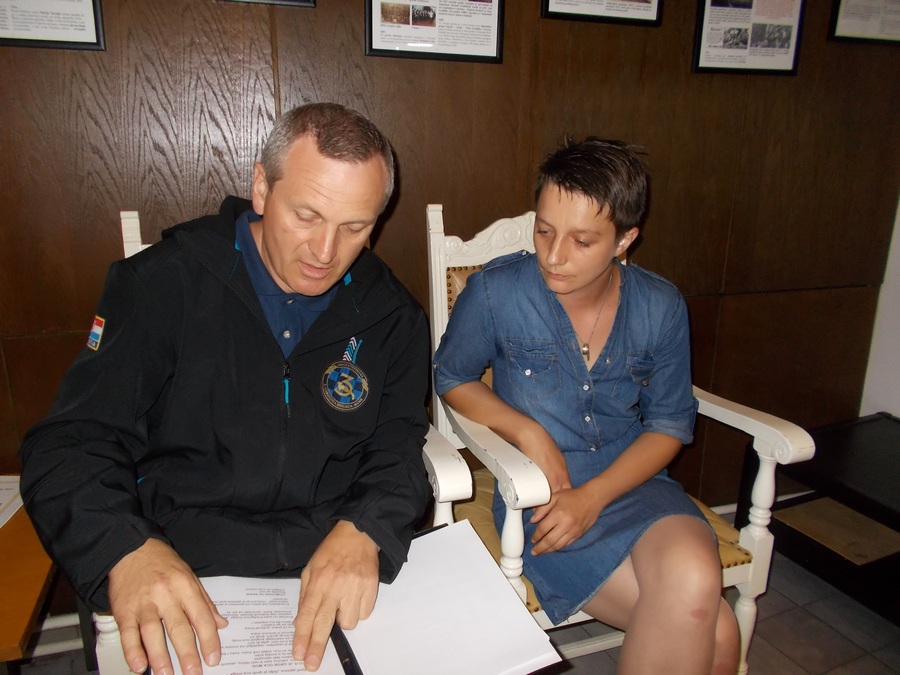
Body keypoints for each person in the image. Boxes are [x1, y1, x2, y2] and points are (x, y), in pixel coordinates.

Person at [20, 102, 431, 674]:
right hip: (184, 561)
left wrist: (367, 526)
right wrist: (126, 548)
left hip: (332, 555)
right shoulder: (160, 285)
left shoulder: (393, 315)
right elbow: (69, 443)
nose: (325, 252)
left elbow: (399, 445)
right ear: (261, 188)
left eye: (355, 228)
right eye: (306, 215)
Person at [433, 138, 740, 674]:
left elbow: (669, 424)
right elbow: (451, 376)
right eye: (544, 231)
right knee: (717, 629)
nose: (554, 256)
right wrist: (528, 432)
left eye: (582, 241)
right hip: (542, 496)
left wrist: (594, 497)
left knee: (697, 587)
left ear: (625, 240)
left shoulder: (661, 306)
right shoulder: (496, 293)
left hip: (634, 483)